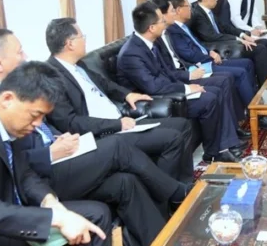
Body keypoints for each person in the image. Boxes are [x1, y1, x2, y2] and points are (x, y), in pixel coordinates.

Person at [0, 30, 193, 245]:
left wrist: (58, 138)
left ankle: (162, 239)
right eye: (19, 52)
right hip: (43, 173)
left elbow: (41, 128)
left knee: (125, 182)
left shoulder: (15, 88)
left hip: (57, 158)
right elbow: (6, 164)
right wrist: (48, 153)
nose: (25, 56)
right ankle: (177, 193)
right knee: (117, 146)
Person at [0, 62, 111, 246]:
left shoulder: (9, 122)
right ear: (8, 99)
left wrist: (51, 203)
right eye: (35, 115)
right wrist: (56, 219)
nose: (38, 124)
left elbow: (24, 174)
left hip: (6, 208)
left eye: (43, 117)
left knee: (96, 215)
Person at [44, 17, 196, 181]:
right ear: (70, 44)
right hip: (104, 134)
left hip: (121, 122)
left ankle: (186, 184)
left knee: (183, 125)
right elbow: (71, 122)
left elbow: (105, 83)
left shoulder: (78, 65)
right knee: (172, 138)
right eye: (82, 37)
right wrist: (117, 124)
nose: (85, 41)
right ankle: (170, 191)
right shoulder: (50, 76)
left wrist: (127, 94)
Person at [116, 1, 243, 163]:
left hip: (166, 90)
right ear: (151, 28)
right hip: (155, 100)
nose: (165, 23)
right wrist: (187, 89)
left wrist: (188, 84)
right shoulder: (131, 54)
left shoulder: (149, 43)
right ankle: (215, 152)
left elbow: (167, 72)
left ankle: (220, 148)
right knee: (209, 98)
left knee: (215, 91)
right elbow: (153, 86)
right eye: (162, 21)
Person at [165, 0, 267, 131]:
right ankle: (259, 116)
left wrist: (210, 52)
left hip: (209, 57)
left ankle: (253, 104)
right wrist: (211, 56)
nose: (191, 8)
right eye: (188, 6)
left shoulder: (183, 26)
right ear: (178, 10)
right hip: (201, 66)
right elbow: (189, 53)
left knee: (247, 63)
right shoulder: (173, 30)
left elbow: (198, 44)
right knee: (240, 72)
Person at [189, 0, 267, 84]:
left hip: (227, 42)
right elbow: (211, 36)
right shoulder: (198, 14)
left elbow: (225, 27)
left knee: (265, 42)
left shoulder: (209, 11)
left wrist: (243, 35)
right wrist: (238, 39)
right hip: (221, 47)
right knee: (259, 49)